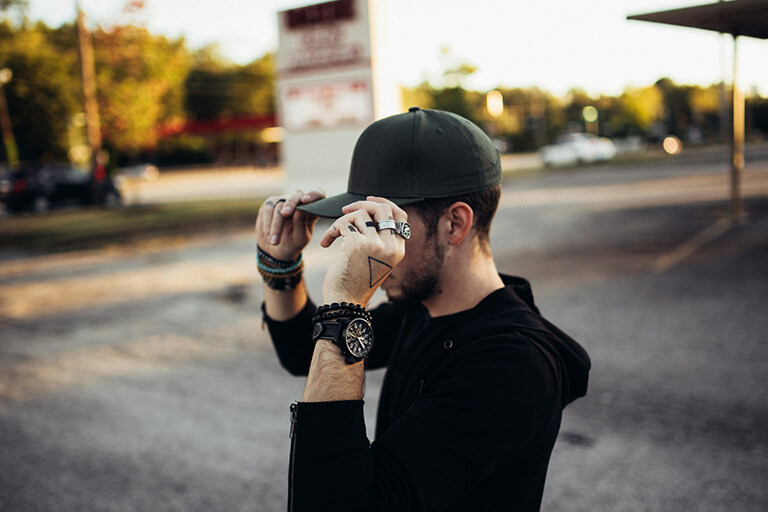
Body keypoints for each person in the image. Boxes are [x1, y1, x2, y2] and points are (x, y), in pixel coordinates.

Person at [255, 107, 590, 512]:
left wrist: (346, 306)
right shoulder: (423, 307)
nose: (361, 241)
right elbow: (302, 354)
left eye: (381, 223)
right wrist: (283, 267)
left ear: (455, 224)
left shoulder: (512, 365)